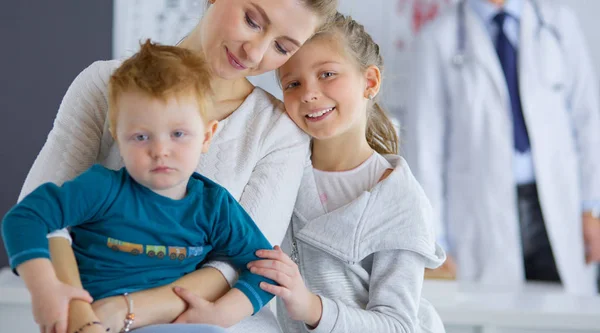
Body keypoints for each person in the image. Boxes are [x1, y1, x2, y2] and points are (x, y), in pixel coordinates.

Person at [15, 0, 338, 332]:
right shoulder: (104, 84)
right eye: (252, 21)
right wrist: (81, 313)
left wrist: (124, 311)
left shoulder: (277, 131)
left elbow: (242, 264)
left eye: (282, 47)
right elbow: (41, 218)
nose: (254, 54)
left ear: (206, 135)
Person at [185, 13, 444, 332]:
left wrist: (310, 307)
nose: (308, 93)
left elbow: (398, 325)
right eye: (292, 83)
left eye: (327, 74)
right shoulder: (278, 164)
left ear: (370, 82)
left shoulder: (401, 203)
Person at [2, 40, 280, 332]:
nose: (160, 150)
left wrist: (223, 312)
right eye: (140, 137)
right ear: (117, 137)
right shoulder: (101, 188)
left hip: (172, 324)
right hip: (93, 323)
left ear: (207, 136)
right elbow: (25, 217)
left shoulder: (214, 206)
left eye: (178, 133)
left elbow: (266, 268)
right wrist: (46, 288)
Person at [403, 0, 600, 293]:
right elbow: (425, 149)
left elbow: (589, 123)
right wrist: (435, 242)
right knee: (500, 317)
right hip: (482, 217)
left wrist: (592, 207)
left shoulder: (559, 24)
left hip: (560, 207)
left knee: (565, 315)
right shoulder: (437, 39)